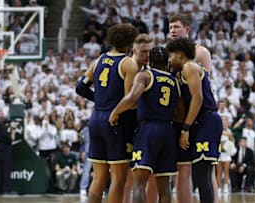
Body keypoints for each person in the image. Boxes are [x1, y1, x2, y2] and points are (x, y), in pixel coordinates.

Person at [75, 23, 139, 203]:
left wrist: (100, 100)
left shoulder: (100, 60)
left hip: (96, 119)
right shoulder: (128, 64)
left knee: (98, 177)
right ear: (129, 43)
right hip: (115, 120)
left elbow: (80, 87)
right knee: (118, 179)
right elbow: (129, 100)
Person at [109, 47, 179, 203]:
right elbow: (179, 111)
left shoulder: (145, 76)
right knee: (164, 187)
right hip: (168, 130)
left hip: (148, 129)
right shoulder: (174, 81)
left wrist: (115, 112)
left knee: (139, 183)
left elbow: (132, 97)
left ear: (150, 61)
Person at [168, 14, 218, 203]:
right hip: (189, 117)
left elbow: (201, 92)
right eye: (170, 27)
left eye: (176, 27)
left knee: (204, 171)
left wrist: (186, 127)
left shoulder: (197, 56)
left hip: (203, 115)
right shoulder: (172, 57)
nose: (172, 30)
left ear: (187, 29)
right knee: (189, 170)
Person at [122, 34, 158, 203]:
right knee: (126, 176)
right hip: (125, 124)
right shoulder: (128, 67)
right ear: (134, 50)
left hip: (140, 126)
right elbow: (129, 100)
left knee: (147, 173)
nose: (148, 55)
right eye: (144, 52)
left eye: (150, 52)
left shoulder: (147, 71)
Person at [0, 111, 16, 194]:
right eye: (0, 115)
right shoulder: (2, 128)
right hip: (5, 153)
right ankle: (7, 190)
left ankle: (0, 190)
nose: (2, 116)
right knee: (6, 172)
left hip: (0, 152)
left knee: (1, 172)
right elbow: (11, 139)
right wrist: (13, 130)